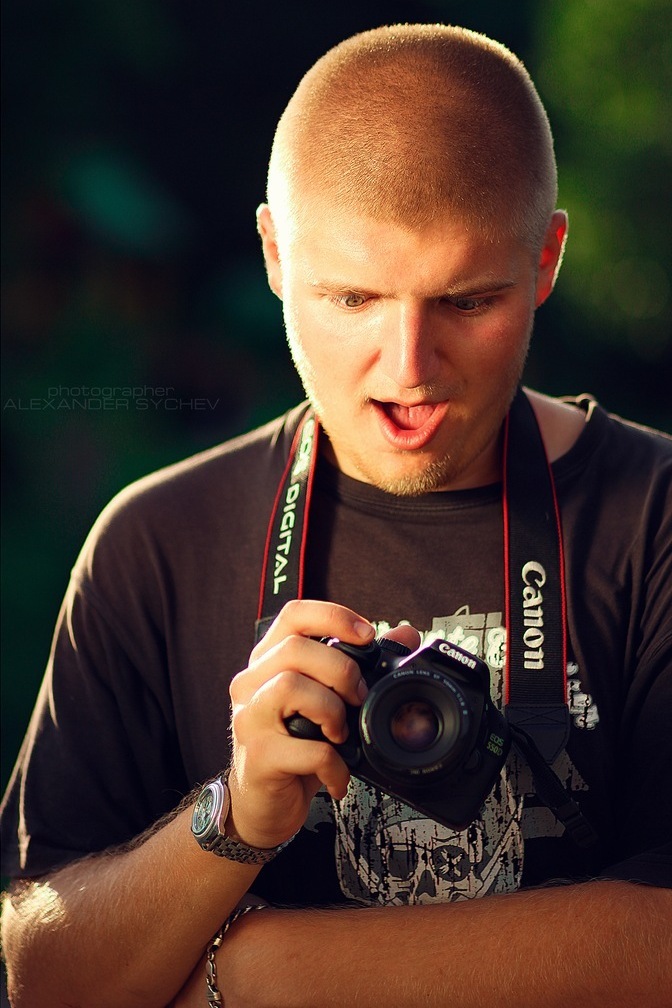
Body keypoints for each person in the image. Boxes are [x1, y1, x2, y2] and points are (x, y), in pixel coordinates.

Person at [1, 23, 671, 1008]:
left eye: (467, 301)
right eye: (353, 297)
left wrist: (255, 970)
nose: (409, 367)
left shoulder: (655, 517)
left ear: (546, 259)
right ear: (276, 253)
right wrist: (233, 819)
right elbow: (43, 978)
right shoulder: (155, 543)